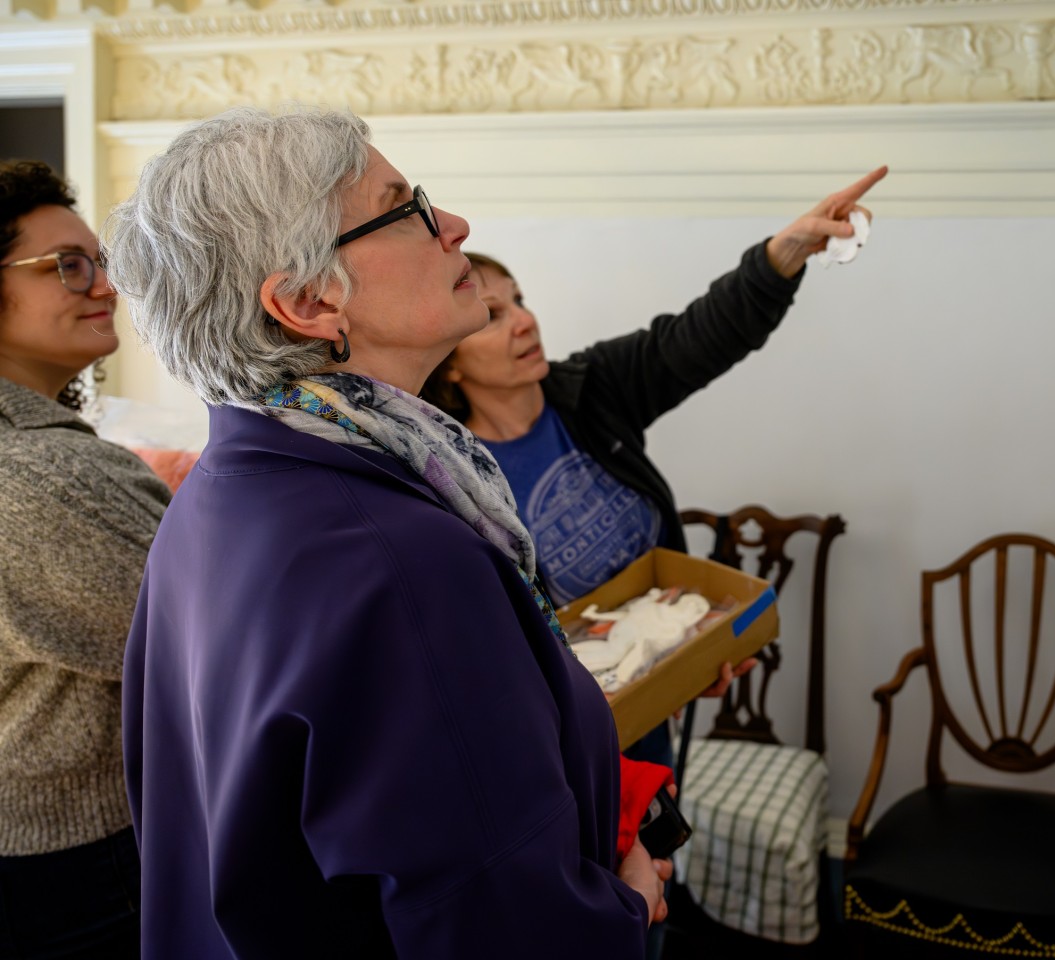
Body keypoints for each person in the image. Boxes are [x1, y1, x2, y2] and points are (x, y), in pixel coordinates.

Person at [105, 106, 664, 958]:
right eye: (407, 208)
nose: (457, 228)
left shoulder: (224, 493)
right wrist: (626, 910)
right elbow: (501, 930)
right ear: (306, 301)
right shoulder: (401, 560)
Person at [419, 166, 886, 769]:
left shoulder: (593, 390)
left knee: (660, 857)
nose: (525, 321)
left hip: (652, 710)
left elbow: (701, 334)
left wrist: (786, 251)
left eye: (521, 301)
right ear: (450, 363)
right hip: (554, 743)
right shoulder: (447, 476)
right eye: (494, 314)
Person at [0, 159, 169, 956]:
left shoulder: (39, 451)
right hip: (77, 859)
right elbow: (220, 633)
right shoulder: (34, 475)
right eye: (68, 267)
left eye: (100, 264)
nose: (104, 287)